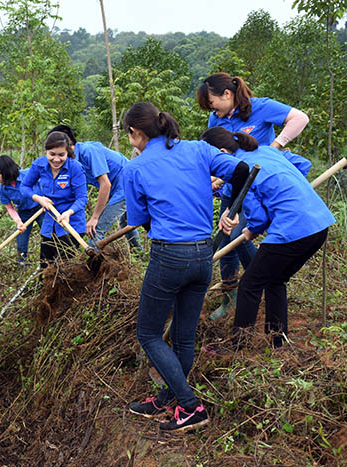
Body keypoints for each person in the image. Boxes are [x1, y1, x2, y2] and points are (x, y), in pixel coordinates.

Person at [122, 102, 249, 433]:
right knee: (183, 334)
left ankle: (190, 406)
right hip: (203, 255)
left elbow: (140, 221)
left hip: (169, 257)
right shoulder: (197, 149)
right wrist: (232, 208)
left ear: (135, 133)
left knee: (149, 333)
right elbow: (242, 170)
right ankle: (167, 397)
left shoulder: (135, 168)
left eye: (129, 136)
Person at [201, 127, 334, 349]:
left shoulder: (241, 170)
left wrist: (252, 229)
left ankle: (236, 346)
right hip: (318, 225)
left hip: (293, 230)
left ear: (222, 152)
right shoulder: (265, 151)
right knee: (275, 280)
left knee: (249, 285)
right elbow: (302, 164)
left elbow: (259, 219)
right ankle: (277, 341)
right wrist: (287, 192)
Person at [197, 73, 310, 319]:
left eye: (212, 103)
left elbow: (300, 118)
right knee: (226, 238)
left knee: (239, 235)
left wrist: (275, 147)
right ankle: (231, 296)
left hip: (256, 188)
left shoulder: (260, 107)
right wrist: (215, 180)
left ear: (227, 94)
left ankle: (259, 281)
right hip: (232, 188)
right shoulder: (215, 119)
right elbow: (218, 154)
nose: (212, 110)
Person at [49, 124, 141, 252]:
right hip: (118, 188)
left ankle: (91, 268)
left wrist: (94, 217)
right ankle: (140, 254)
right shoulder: (72, 163)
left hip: (129, 183)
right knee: (126, 222)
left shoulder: (89, 151)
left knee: (96, 230)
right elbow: (77, 193)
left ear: (67, 143)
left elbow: (105, 184)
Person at [20, 131, 87, 269]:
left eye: (61, 155)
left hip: (71, 225)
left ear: (67, 152)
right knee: (46, 267)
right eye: (52, 154)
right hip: (49, 224)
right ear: (46, 151)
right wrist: (39, 199)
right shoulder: (38, 165)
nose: (56, 160)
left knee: (65, 269)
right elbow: (25, 187)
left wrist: (69, 212)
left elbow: (82, 198)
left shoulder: (75, 168)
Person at [0, 155, 44, 266]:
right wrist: (18, 222)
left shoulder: (28, 174)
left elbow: (45, 181)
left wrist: (46, 199)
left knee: (49, 235)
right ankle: (23, 267)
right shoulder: (3, 188)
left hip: (41, 209)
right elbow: (9, 207)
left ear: (7, 171)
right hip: (24, 214)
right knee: (21, 243)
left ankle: (49, 262)